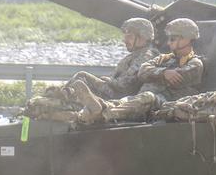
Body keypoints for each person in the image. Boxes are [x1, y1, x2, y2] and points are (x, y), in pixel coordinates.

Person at [72, 18, 204, 124]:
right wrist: (164, 73)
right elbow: (143, 71)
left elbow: (175, 77)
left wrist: (156, 73)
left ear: (186, 39)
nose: (168, 43)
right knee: (130, 99)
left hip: (165, 103)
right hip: (142, 99)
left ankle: (104, 114)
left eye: (173, 39)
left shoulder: (194, 63)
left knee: (147, 97)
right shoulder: (164, 59)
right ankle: (101, 107)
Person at [64, 17, 159, 99]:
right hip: (116, 92)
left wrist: (108, 80)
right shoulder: (137, 55)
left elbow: (125, 84)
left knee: (82, 76)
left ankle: (62, 96)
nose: (124, 40)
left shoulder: (146, 56)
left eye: (129, 35)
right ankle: (62, 96)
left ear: (142, 37)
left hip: (121, 96)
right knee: (77, 86)